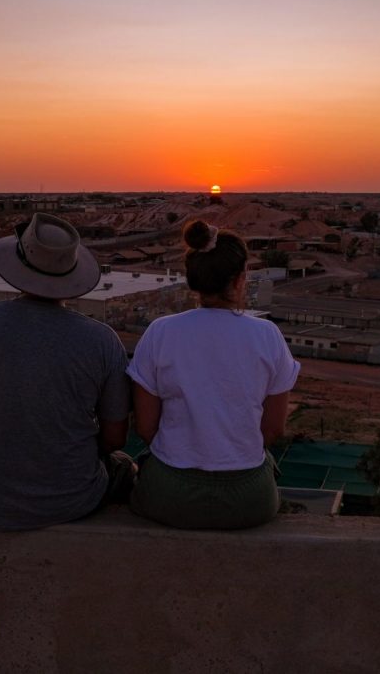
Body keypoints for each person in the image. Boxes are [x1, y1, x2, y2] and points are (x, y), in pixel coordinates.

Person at [0, 213, 133, 531]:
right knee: (126, 469)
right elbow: (115, 437)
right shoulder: (103, 340)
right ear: (71, 274)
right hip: (72, 500)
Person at [127, 220, 299, 530]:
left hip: (169, 495)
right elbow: (273, 429)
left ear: (193, 277)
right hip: (249, 501)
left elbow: (146, 427)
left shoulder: (161, 332)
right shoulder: (267, 335)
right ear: (240, 279)